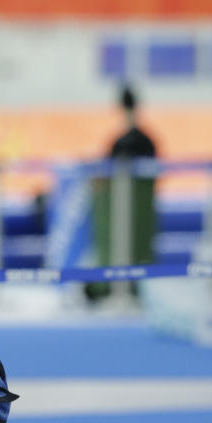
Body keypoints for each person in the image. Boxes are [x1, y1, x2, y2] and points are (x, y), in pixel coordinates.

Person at [85, 84, 158, 301]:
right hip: (123, 206)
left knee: (133, 245)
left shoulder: (137, 140)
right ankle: (120, 285)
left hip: (135, 209)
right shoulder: (138, 140)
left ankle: (128, 286)